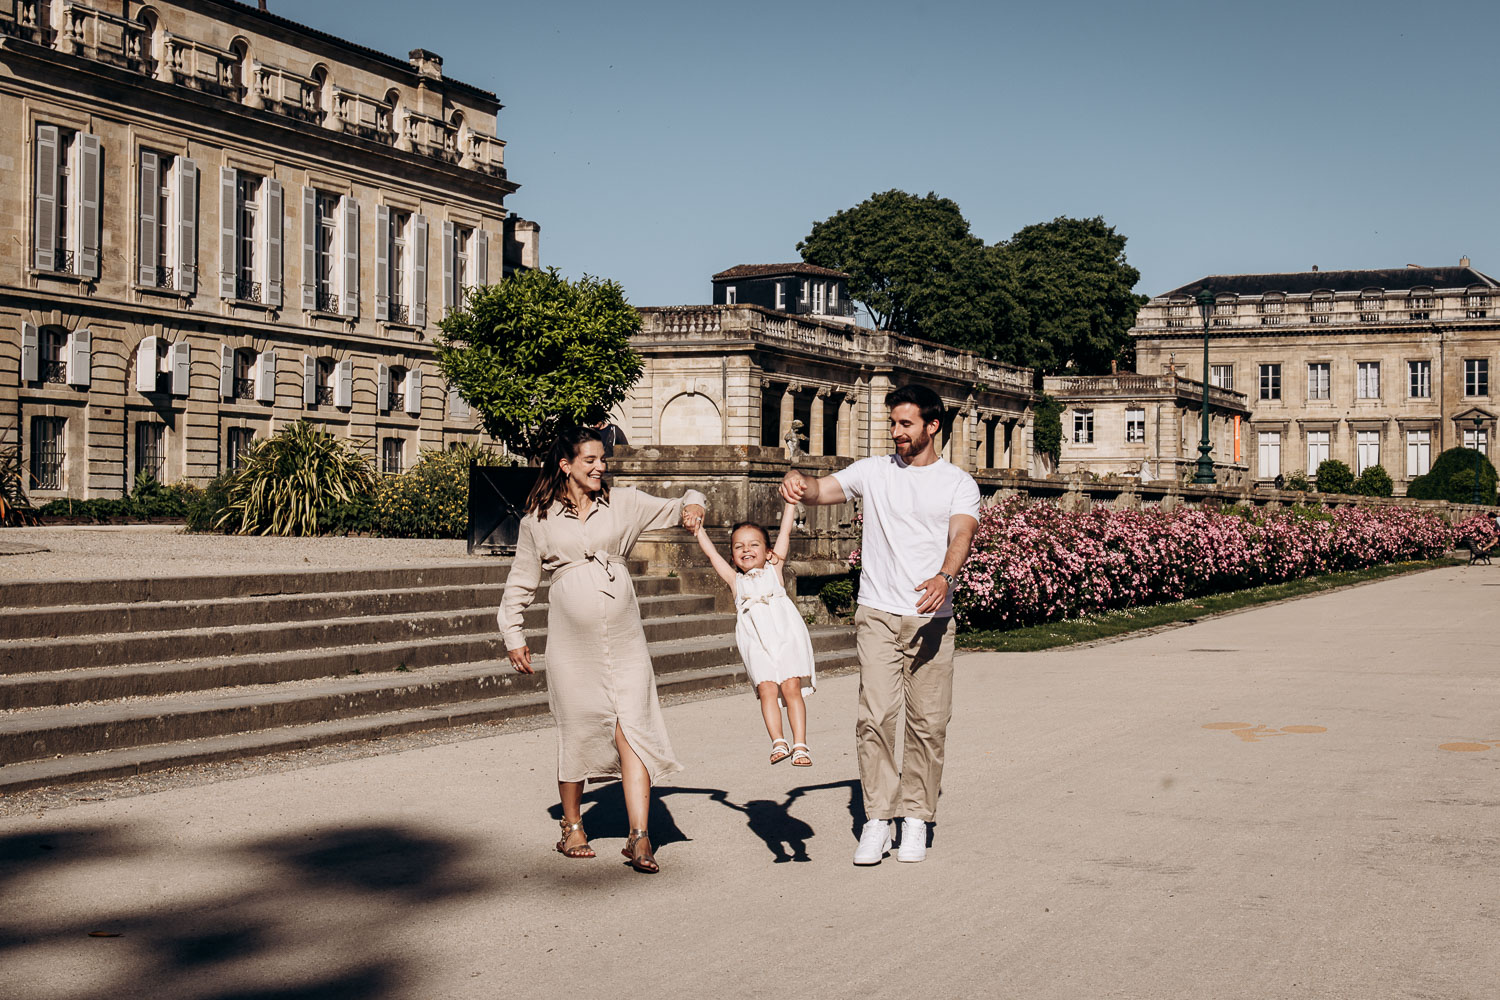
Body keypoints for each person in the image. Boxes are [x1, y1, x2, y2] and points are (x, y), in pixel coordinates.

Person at [780, 384, 979, 866]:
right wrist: (795, 478)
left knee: (928, 725)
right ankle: (877, 819)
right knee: (875, 718)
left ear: (932, 426)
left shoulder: (958, 483)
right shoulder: (874, 471)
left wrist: (944, 575)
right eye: (892, 424)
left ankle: (916, 818)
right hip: (878, 614)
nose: (896, 433)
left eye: (905, 424)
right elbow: (821, 490)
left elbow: (962, 532)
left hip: (932, 618)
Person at [498, 426, 706, 873]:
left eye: (602, 460)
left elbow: (684, 498)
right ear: (566, 465)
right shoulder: (539, 518)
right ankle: (572, 826)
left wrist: (693, 505)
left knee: (633, 727)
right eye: (589, 460)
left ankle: (640, 836)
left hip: (625, 641)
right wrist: (513, 633)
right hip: (572, 647)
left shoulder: (625, 503)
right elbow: (521, 580)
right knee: (576, 729)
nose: (599, 467)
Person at [691, 500, 817, 766]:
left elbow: (785, 533)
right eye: (739, 546)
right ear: (733, 555)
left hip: (785, 636)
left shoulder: (774, 570)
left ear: (768, 551)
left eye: (753, 544)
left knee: (791, 686)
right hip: (755, 641)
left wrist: (791, 504)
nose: (746, 549)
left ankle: (801, 744)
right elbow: (713, 555)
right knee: (767, 688)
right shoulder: (735, 581)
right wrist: (698, 530)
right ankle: (778, 741)